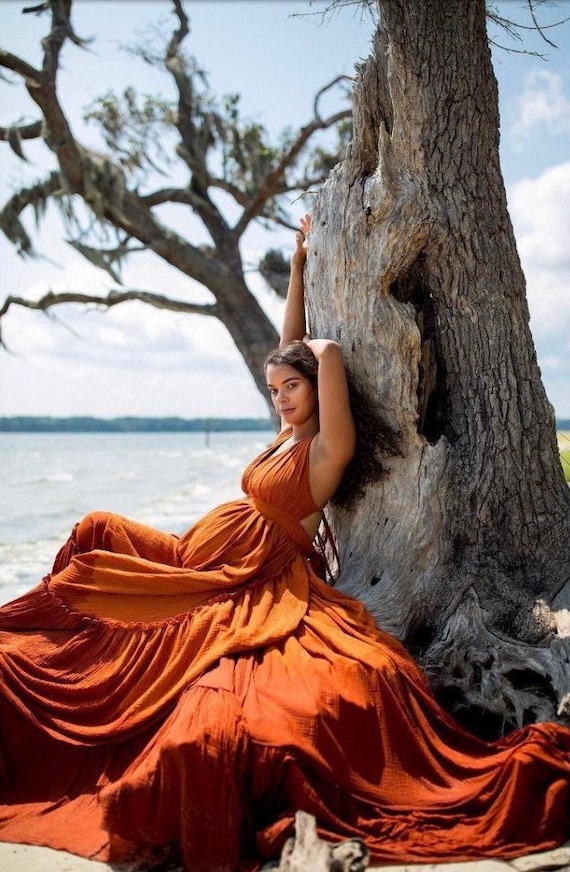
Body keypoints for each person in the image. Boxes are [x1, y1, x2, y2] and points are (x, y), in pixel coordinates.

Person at [0, 215, 569, 872]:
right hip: (207, 557)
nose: (281, 400)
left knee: (175, 653)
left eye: (290, 389)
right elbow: (289, 346)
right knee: (94, 532)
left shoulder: (328, 449)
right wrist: (297, 270)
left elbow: (316, 355)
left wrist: (321, 355)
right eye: (274, 391)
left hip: (252, 577)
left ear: (317, 391)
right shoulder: (284, 434)